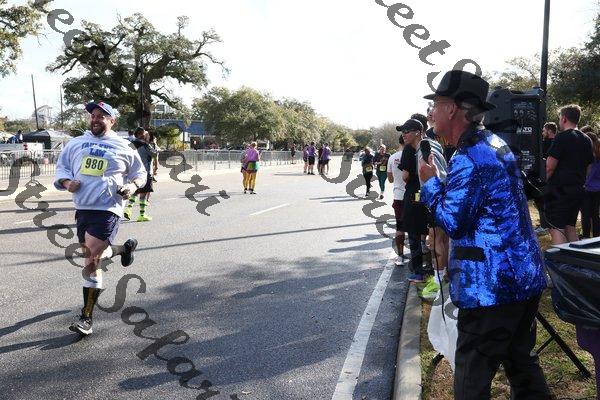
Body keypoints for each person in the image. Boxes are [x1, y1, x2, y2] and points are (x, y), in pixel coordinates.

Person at [418, 70, 550, 399]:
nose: (431, 112)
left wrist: (430, 184)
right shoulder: (495, 143)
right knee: (521, 362)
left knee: (472, 376)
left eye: (436, 104)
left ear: (452, 109)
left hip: (491, 288)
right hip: (524, 277)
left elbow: (453, 222)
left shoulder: (469, 157)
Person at [54, 101, 146, 336]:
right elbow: (62, 168)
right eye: (93, 116)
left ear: (112, 121)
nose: (95, 119)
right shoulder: (76, 143)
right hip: (83, 208)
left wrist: (132, 187)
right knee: (94, 255)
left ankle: (86, 318)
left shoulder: (123, 145)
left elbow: (140, 174)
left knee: (91, 260)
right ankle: (124, 249)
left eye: (101, 116)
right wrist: (66, 182)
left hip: (108, 208)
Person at [546, 104, 594, 244]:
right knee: (570, 227)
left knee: (556, 228)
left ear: (564, 119)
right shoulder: (587, 140)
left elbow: (549, 167)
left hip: (559, 190)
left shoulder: (561, 138)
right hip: (578, 189)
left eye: (560, 118)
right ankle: (575, 258)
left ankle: (561, 258)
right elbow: (589, 167)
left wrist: (544, 185)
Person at [124, 127, 157, 222]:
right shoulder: (145, 145)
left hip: (133, 173)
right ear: (140, 134)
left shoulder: (131, 144)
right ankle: (142, 215)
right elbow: (154, 154)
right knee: (143, 194)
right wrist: (153, 143)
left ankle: (128, 209)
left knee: (135, 191)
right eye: (145, 133)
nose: (146, 134)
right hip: (145, 173)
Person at [387, 136, 407, 265]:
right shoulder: (415, 154)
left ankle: (400, 257)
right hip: (414, 195)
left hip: (398, 196)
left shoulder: (392, 157)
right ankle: (420, 259)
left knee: (400, 227)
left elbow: (390, 179)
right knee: (416, 229)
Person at [581, 130, 600, 238]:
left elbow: (588, 174)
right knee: (595, 215)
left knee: (586, 215)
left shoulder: (589, 155)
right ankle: (597, 237)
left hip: (587, 189)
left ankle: (586, 237)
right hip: (597, 189)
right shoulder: (598, 154)